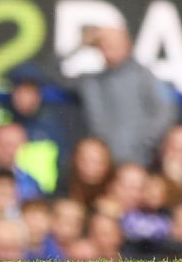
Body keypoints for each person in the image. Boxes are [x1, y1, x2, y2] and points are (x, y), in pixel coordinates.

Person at [74, 24, 176, 167]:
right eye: (104, 43)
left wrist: (140, 144)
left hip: (137, 162)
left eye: (114, 43)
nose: (109, 48)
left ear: (128, 45)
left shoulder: (144, 77)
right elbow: (53, 74)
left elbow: (165, 111)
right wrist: (79, 47)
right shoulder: (91, 82)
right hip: (102, 166)